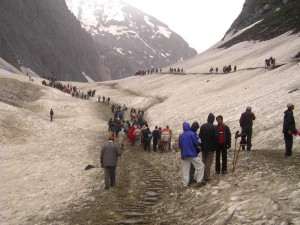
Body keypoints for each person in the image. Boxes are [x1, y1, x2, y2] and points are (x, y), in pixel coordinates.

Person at [179, 122, 205, 187]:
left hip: (184, 154)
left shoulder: (181, 135)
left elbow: (180, 145)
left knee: (185, 169)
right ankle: (199, 180)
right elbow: (196, 143)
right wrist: (200, 147)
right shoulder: (192, 134)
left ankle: (185, 183)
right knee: (200, 165)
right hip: (192, 153)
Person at [199, 113, 218, 182]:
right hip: (211, 147)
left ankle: (202, 175)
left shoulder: (203, 126)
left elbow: (200, 135)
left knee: (203, 161)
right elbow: (216, 137)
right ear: (213, 120)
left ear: (207, 119)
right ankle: (206, 176)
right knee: (208, 162)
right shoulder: (214, 127)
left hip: (203, 146)